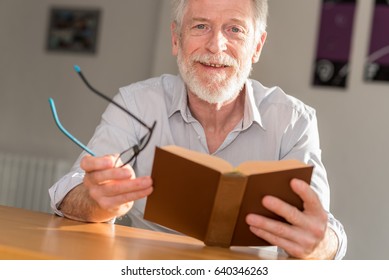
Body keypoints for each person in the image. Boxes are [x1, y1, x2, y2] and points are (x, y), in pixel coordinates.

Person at [49, 0, 347, 259]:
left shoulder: (293, 121)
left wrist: (322, 245)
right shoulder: (136, 103)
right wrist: (95, 202)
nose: (216, 46)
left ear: (256, 46)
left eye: (235, 29)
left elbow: (322, 228)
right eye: (201, 26)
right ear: (176, 39)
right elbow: (68, 194)